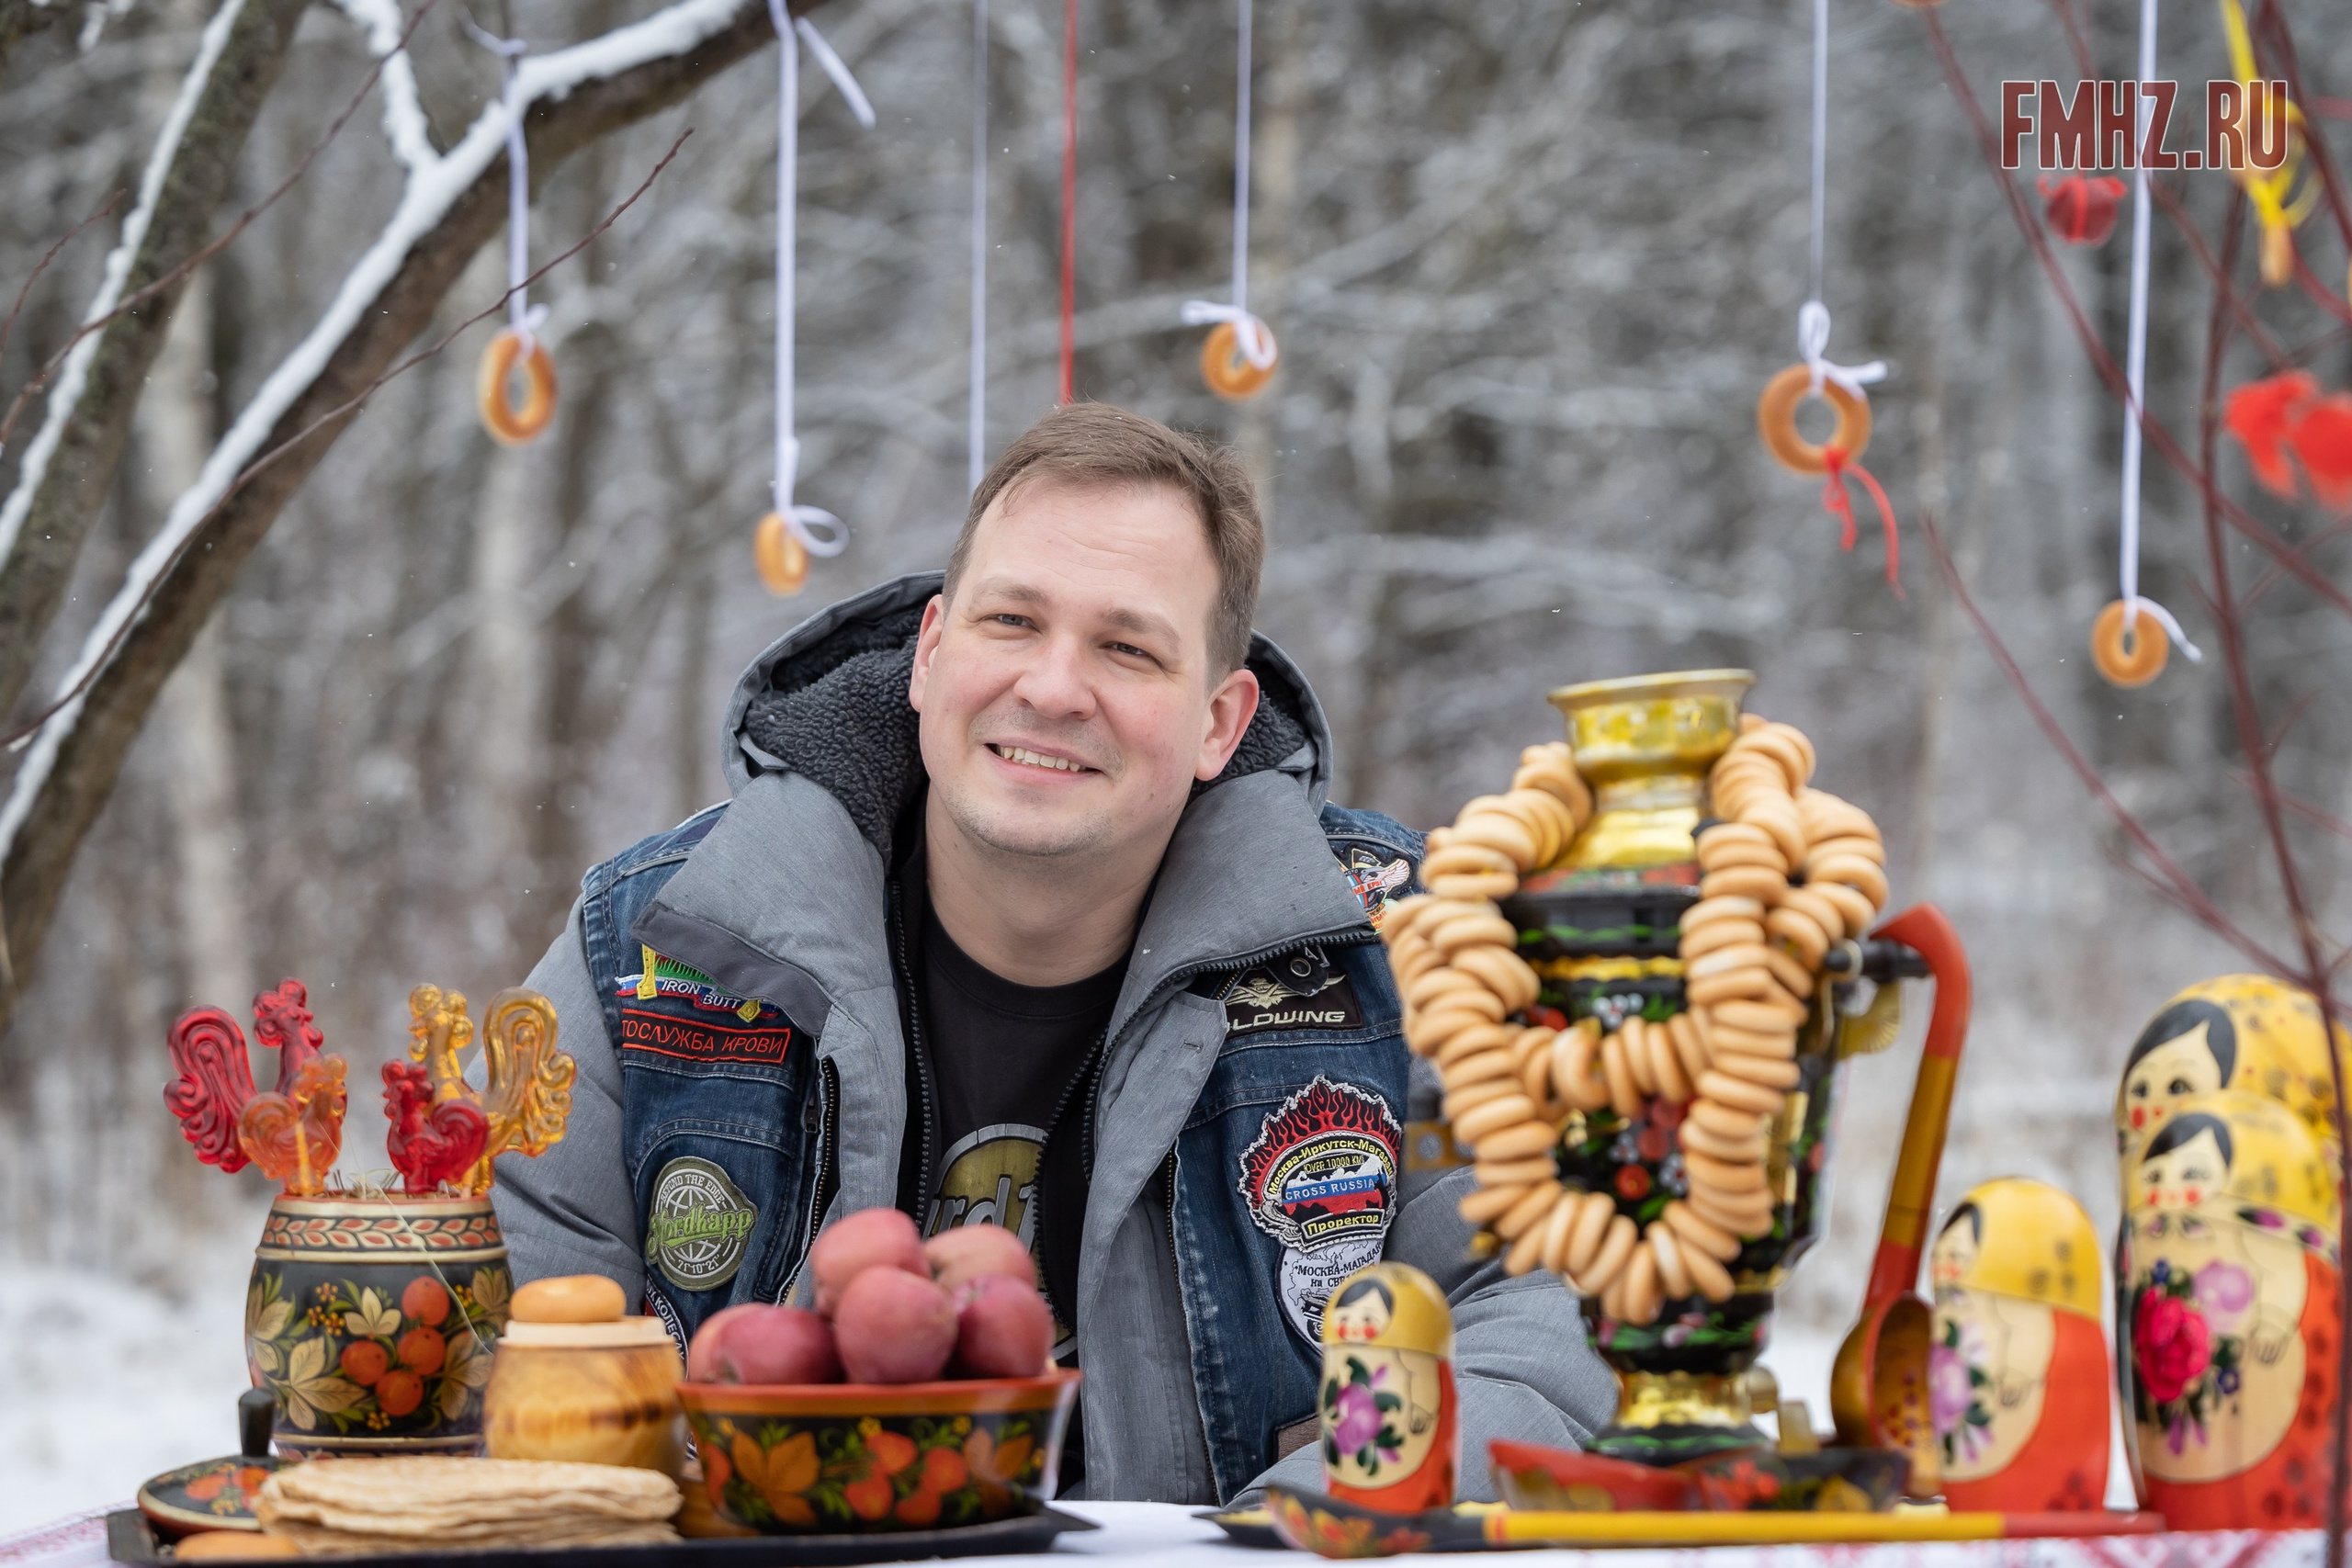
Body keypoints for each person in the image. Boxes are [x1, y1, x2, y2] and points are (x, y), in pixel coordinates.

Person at [492, 402, 1616, 1503]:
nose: (1052, 688)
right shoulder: (651, 948)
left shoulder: (1411, 948)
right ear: (931, 653)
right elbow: (502, 1341)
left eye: (1126, 647)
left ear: (1221, 722)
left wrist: (1297, 1528)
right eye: (1011, 622)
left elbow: (1543, 1320)